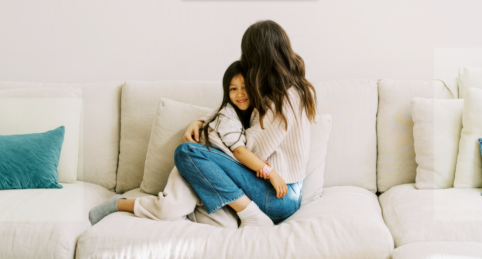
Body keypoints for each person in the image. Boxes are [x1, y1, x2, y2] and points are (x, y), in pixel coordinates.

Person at [87, 57, 292, 228]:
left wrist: (199, 121)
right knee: (166, 211)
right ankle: (119, 204)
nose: (239, 94)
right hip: (194, 167)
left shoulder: (252, 115)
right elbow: (238, 152)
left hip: (215, 180)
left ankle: (191, 209)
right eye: (233, 89)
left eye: (245, 88)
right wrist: (269, 172)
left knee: (227, 226)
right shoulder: (228, 115)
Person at [177, 20, 315, 228]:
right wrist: (202, 121)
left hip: (278, 195)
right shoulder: (278, 90)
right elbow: (235, 106)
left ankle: (249, 214)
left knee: (187, 152)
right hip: (277, 190)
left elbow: (251, 150)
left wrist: (217, 133)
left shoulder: (287, 97)